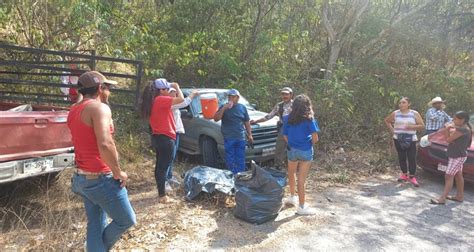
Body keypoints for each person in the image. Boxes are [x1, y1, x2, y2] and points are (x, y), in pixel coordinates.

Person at [68, 71, 136, 252]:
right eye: (107, 87)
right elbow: (105, 144)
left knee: (95, 224)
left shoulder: (75, 109)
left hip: (82, 178)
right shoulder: (99, 108)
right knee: (127, 220)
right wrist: (118, 172)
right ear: (100, 88)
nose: (109, 91)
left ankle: (94, 248)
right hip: (100, 178)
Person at [138, 78, 184, 203]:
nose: (169, 90)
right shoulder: (161, 99)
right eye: (166, 88)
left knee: (160, 166)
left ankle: (161, 193)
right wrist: (177, 86)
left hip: (157, 136)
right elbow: (181, 100)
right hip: (166, 137)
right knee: (163, 166)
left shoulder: (153, 101)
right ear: (161, 90)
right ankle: (162, 196)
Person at [282, 94, 320, 215]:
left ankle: (292, 197)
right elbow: (315, 138)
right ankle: (302, 207)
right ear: (307, 106)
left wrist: (292, 143)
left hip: (292, 150)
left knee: (291, 173)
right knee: (301, 179)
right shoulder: (309, 119)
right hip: (305, 151)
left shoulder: (287, 118)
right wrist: (308, 143)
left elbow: (285, 135)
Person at [430, 111, 472, 205]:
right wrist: (450, 128)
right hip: (458, 155)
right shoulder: (463, 129)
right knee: (458, 175)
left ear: (463, 120)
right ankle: (459, 196)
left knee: (448, 176)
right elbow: (455, 139)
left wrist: (446, 129)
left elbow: (448, 140)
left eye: (456, 119)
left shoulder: (463, 130)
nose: (453, 120)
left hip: (457, 157)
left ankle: (442, 199)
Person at [384, 97, 425, 187]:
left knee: (411, 158)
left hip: (411, 139)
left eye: (403, 102)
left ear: (408, 104)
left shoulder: (414, 113)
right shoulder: (395, 113)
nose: (401, 104)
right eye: (400, 103)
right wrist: (392, 130)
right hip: (398, 139)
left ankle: (412, 177)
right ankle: (404, 174)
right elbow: (387, 121)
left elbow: (422, 126)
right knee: (401, 157)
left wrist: (412, 127)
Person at [250, 87, 294, 170]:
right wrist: (256, 121)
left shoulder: (296, 105)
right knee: (279, 148)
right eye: (283, 94)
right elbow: (269, 116)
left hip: (294, 129)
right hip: (283, 129)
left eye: (287, 94)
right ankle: (278, 166)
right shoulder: (279, 105)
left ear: (291, 95)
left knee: (294, 147)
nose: (284, 96)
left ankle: (294, 167)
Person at [213, 89, 253, 174]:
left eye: (233, 97)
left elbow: (247, 122)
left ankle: (241, 175)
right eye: (229, 97)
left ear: (238, 98)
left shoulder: (242, 107)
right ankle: (232, 175)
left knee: (240, 158)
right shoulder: (223, 107)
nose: (231, 98)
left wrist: (250, 134)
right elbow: (216, 119)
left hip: (240, 137)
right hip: (229, 137)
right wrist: (224, 108)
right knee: (230, 158)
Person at [165, 88, 198, 189]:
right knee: (168, 157)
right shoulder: (169, 103)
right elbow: (184, 102)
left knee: (172, 156)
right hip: (170, 133)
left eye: (175, 92)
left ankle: (169, 176)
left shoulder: (173, 103)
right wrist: (192, 94)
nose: (174, 94)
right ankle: (165, 180)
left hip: (176, 132)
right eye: (171, 92)